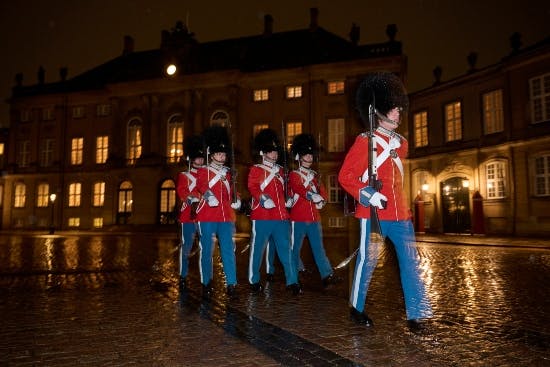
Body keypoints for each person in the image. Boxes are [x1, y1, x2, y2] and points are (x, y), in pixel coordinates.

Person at [338, 72, 433, 327]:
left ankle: (416, 314)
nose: (398, 113)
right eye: (393, 109)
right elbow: (345, 177)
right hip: (373, 215)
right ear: (379, 112)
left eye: (399, 109)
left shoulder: (401, 144)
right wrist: (368, 194)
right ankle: (356, 308)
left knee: (410, 263)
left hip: (401, 215)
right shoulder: (365, 143)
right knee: (367, 262)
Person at [247, 128, 301, 295]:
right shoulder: (256, 169)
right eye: (271, 151)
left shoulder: (282, 171)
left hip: (281, 216)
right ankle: (254, 280)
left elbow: (287, 189)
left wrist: (290, 199)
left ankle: (292, 281)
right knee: (258, 250)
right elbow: (253, 187)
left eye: (276, 151)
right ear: (263, 153)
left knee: (286, 250)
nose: (275, 154)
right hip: (263, 215)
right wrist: (263, 198)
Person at [195, 125, 241, 298]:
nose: (222, 157)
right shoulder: (204, 171)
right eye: (219, 154)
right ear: (212, 154)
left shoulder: (229, 173)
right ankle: (206, 282)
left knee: (228, 250)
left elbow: (232, 191)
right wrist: (209, 196)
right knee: (207, 250)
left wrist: (236, 199)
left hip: (226, 216)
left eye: (224, 154)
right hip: (207, 215)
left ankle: (232, 284)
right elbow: (201, 186)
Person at [287, 133, 338, 288]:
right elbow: (298, 188)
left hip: (314, 218)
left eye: (310, 155)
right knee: (295, 249)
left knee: (319, 248)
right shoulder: (294, 174)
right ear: (299, 157)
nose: (309, 158)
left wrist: (322, 200)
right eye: (306, 155)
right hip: (298, 218)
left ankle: (326, 274)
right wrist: (312, 195)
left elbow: (323, 191)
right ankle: (293, 277)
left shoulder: (315, 175)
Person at [176, 135, 205, 289]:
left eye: (202, 158)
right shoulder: (184, 176)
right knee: (186, 246)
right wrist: (192, 198)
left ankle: (205, 277)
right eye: (197, 159)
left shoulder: (207, 175)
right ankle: (183, 275)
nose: (200, 161)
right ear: (191, 160)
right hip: (188, 216)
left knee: (205, 248)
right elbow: (182, 191)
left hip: (204, 216)